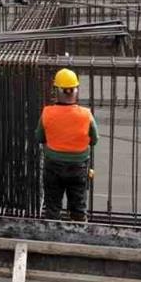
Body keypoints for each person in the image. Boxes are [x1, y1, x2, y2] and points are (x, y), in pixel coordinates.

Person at [36, 68, 98, 221]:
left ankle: (51, 236)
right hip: (79, 167)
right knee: (78, 207)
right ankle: (78, 233)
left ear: (56, 90)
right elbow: (94, 139)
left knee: (52, 206)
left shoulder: (47, 113)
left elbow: (39, 137)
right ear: (75, 91)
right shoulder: (86, 114)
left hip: (53, 166)